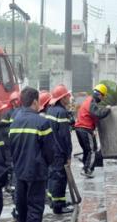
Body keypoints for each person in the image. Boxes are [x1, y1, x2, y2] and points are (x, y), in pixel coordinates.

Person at [9, 87, 54, 222]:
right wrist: (46, 165)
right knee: (34, 209)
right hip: (36, 173)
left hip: (19, 173)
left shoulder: (14, 122)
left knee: (21, 209)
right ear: (35, 102)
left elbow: (11, 148)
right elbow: (49, 152)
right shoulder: (42, 122)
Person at [45, 84, 74, 214]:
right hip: (60, 151)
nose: (69, 97)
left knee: (53, 176)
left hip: (52, 150)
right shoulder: (61, 112)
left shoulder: (50, 110)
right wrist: (68, 154)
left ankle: (55, 201)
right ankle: (58, 206)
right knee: (60, 178)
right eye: (67, 95)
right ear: (62, 99)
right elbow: (65, 137)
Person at [75, 84, 111, 178]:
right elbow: (97, 113)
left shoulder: (89, 99)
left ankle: (85, 167)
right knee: (92, 150)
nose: (102, 99)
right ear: (100, 95)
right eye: (103, 97)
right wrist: (107, 109)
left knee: (87, 150)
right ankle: (87, 170)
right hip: (85, 128)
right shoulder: (92, 101)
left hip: (80, 128)